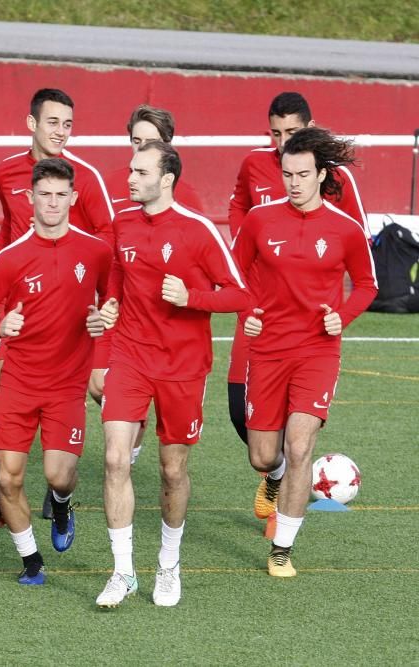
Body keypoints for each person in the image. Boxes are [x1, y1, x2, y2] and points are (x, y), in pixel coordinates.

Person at [95, 141, 249, 608]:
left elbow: (240, 295)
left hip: (183, 367)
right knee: (116, 460)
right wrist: (111, 305)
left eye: (141, 172)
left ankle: (168, 563)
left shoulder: (198, 231)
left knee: (171, 469)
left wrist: (192, 298)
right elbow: (118, 280)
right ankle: (123, 572)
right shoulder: (122, 225)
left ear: (166, 179)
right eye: (131, 170)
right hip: (130, 358)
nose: (130, 178)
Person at [0, 88, 114, 526]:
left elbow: (108, 236)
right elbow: (9, 231)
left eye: (67, 124)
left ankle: (66, 480)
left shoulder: (84, 177)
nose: (61, 132)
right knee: (13, 381)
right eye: (53, 122)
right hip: (21, 305)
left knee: (98, 387)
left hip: (75, 310)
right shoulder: (5, 171)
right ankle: (9, 486)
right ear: (31, 124)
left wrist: (99, 294)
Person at [232, 128, 376, 577]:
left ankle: (282, 549)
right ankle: (272, 480)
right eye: (287, 174)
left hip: (317, 352)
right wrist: (250, 312)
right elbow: (235, 277)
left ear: (321, 175)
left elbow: (368, 285)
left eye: (302, 174)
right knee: (263, 455)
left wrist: (343, 317)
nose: (293, 182)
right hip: (268, 350)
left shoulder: (344, 228)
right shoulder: (260, 220)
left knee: (299, 447)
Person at [226, 92, 368, 449]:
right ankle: (276, 472)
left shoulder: (337, 179)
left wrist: (340, 310)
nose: (283, 141)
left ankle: (291, 481)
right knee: (239, 412)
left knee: (298, 434)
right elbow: (239, 207)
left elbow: (357, 242)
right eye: (276, 133)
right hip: (259, 309)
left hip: (310, 321)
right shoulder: (254, 164)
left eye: (292, 132)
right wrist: (254, 245)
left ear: (311, 129)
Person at [98, 104, 205, 465]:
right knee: (99, 388)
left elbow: (203, 274)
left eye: (151, 142)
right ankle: (66, 484)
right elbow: (108, 250)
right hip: (115, 322)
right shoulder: (114, 185)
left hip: (169, 341)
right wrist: (108, 297)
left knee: (164, 455)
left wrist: (187, 296)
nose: (140, 148)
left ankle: (129, 457)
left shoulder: (188, 202)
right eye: (135, 140)